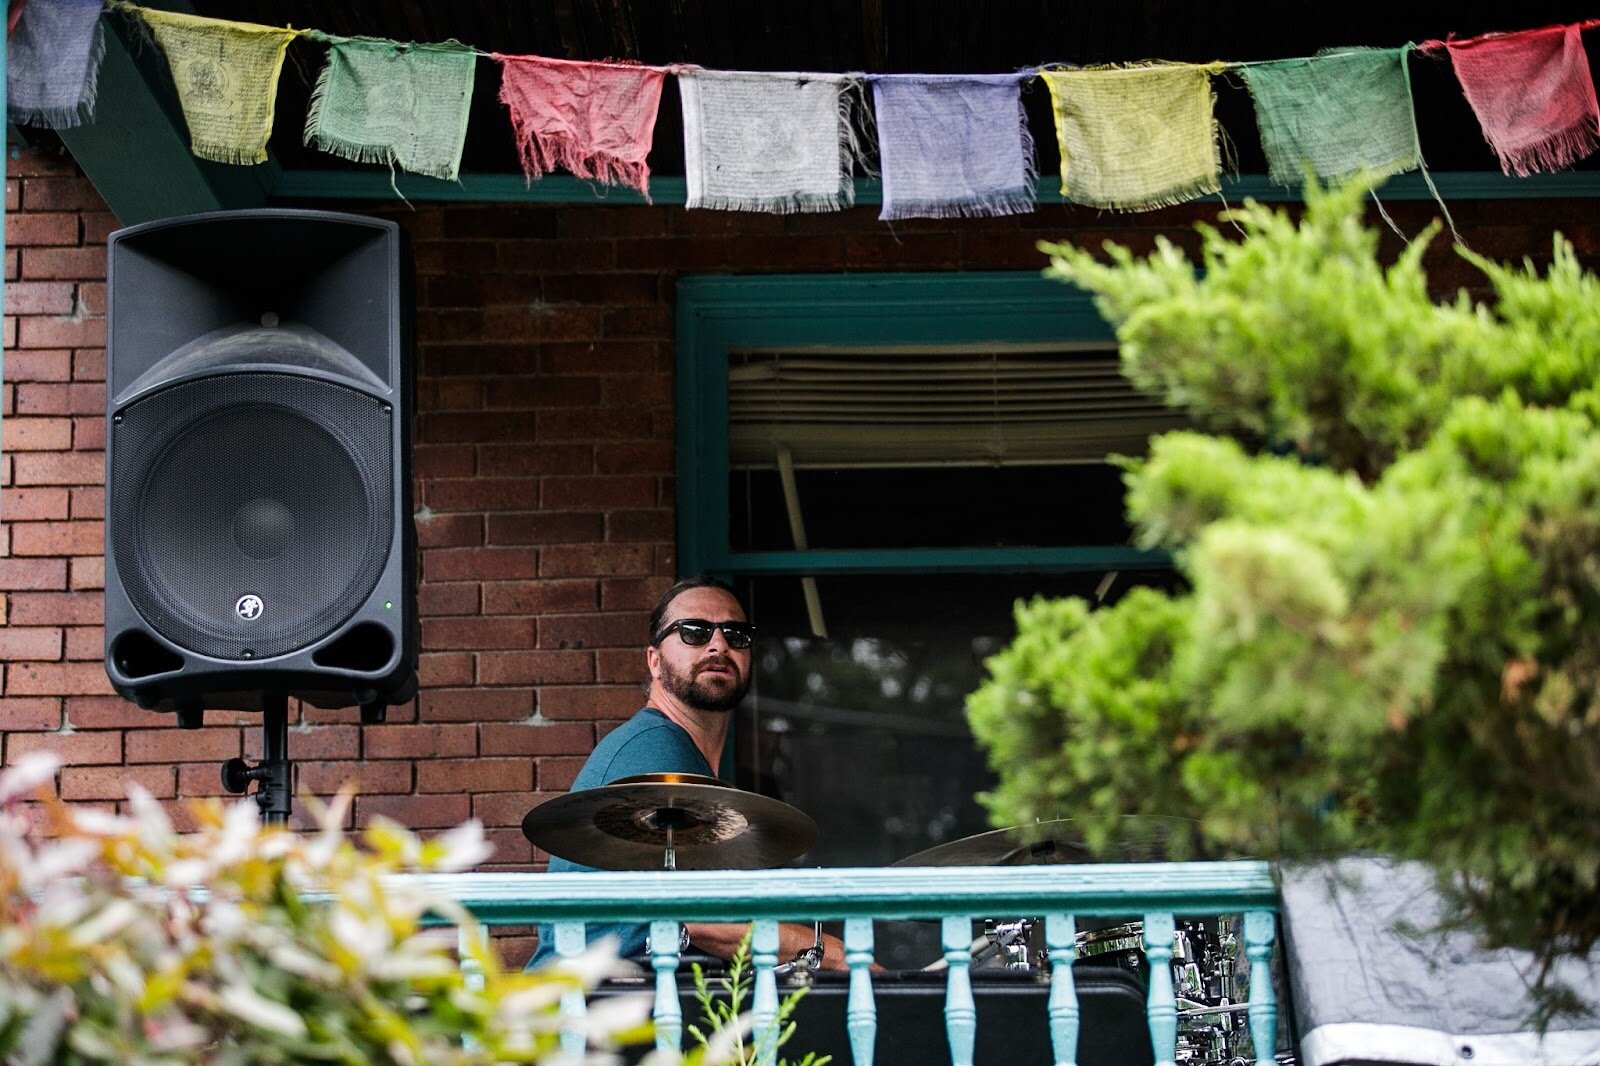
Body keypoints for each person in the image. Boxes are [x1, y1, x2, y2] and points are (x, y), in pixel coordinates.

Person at [527, 574, 848, 971]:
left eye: (736, 634)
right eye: (694, 631)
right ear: (655, 661)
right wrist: (833, 952)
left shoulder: (683, 756)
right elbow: (704, 920)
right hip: (595, 1006)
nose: (719, 644)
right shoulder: (653, 747)